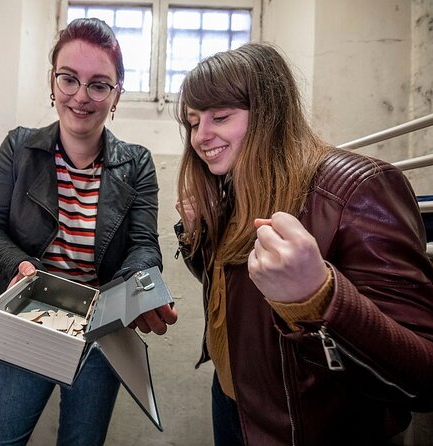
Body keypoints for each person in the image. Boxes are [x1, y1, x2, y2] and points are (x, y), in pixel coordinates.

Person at [173, 42, 433, 445]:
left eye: (220, 117)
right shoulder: (235, 188)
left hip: (306, 428)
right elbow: (234, 290)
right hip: (234, 400)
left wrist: (321, 297)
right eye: (193, 122)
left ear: (269, 115)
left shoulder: (358, 189)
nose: (201, 137)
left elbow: (423, 376)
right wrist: (197, 239)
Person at [0, 18, 177, 446]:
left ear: (116, 94)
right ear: (52, 81)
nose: (81, 96)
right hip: (28, 319)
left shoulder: (136, 163)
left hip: (101, 332)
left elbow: (143, 246)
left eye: (99, 84)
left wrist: (140, 289)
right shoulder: (18, 147)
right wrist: (19, 266)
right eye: (69, 79)